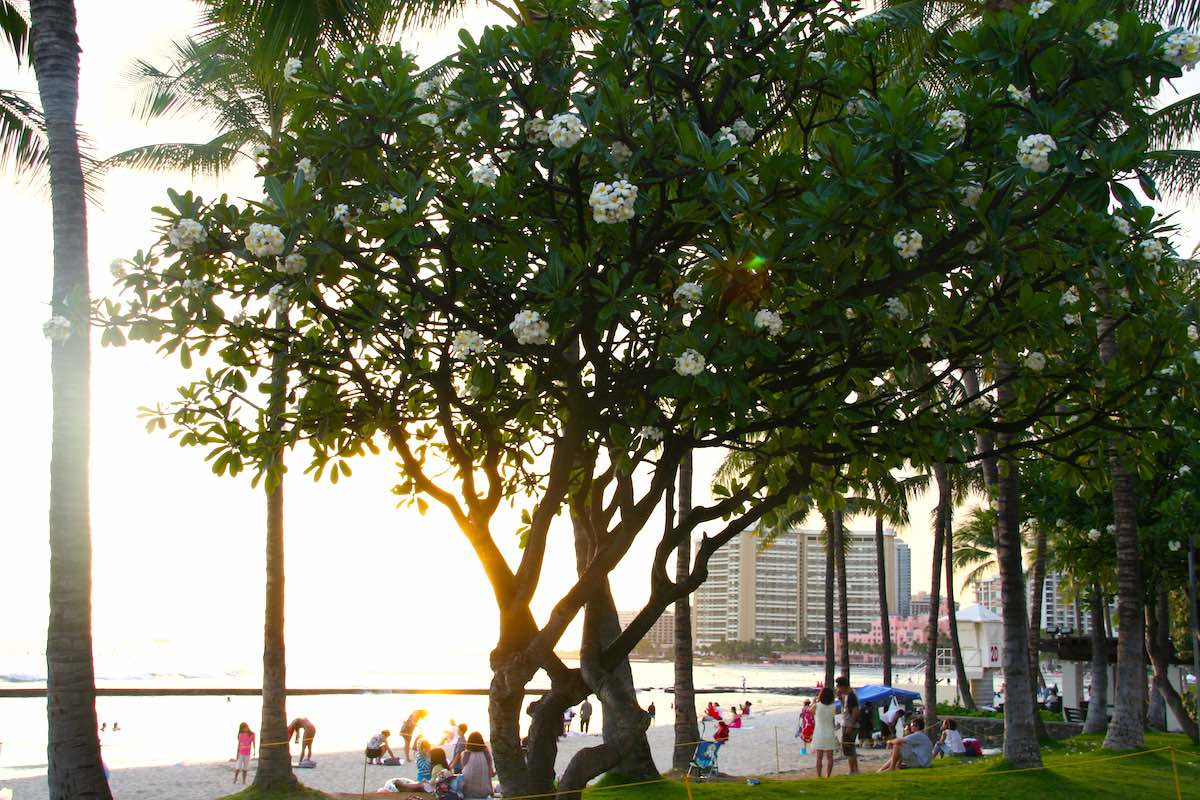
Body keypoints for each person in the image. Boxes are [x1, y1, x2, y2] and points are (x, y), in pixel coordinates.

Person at [451, 731, 496, 799]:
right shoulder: (486, 754)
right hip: (485, 792)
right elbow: (491, 774)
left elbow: (464, 772)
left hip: (468, 793)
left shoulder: (465, 754)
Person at [835, 675, 860, 774]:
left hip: (850, 724)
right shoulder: (848, 695)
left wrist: (851, 725)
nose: (838, 689)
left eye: (839, 687)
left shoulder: (852, 696)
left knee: (848, 747)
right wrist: (840, 698)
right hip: (847, 723)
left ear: (844, 686)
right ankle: (854, 769)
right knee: (849, 746)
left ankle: (853, 770)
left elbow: (855, 711)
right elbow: (846, 708)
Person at [811, 688, 837, 778]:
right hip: (829, 732)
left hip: (819, 732)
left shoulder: (817, 705)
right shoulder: (833, 706)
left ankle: (819, 775)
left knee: (819, 757)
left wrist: (814, 702)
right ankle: (828, 775)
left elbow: (810, 712)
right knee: (830, 757)